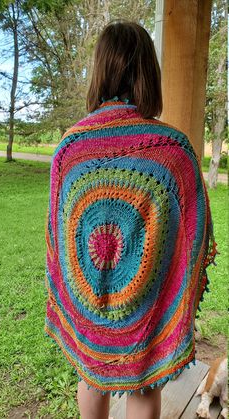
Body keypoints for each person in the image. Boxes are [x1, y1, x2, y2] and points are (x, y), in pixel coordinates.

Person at [44, 20, 218, 419]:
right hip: (148, 297)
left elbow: (60, 237)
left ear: (100, 70)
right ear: (148, 74)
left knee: (91, 373)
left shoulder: (69, 150)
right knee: (143, 382)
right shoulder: (172, 150)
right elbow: (194, 233)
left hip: (90, 296)